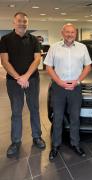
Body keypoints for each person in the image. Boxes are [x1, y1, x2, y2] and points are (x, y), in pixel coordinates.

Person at [0, 12, 46, 158]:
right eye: (19, 21)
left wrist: (25, 76)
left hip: (32, 80)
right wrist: (18, 77)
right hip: (13, 82)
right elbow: (5, 61)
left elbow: (37, 59)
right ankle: (15, 141)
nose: (22, 23)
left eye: (25, 21)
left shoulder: (34, 40)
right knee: (16, 111)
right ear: (14, 22)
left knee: (34, 108)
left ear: (27, 23)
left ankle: (37, 136)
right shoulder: (5, 39)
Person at [44, 23, 92, 161]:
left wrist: (77, 81)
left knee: (75, 118)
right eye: (67, 32)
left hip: (75, 88)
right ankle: (55, 146)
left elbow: (88, 66)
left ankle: (75, 144)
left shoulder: (82, 48)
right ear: (62, 33)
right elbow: (48, 67)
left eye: (72, 32)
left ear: (75, 33)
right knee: (57, 118)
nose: (70, 34)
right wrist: (59, 82)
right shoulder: (54, 47)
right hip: (59, 88)